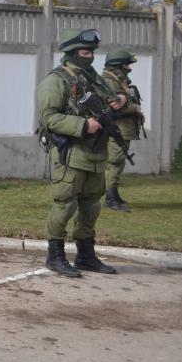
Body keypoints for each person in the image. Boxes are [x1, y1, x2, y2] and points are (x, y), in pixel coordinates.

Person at [35, 27, 124, 277]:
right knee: (65, 205)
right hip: (71, 154)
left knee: (92, 205)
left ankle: (85, 256)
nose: (90, 56)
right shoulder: (55, 81)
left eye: (92, 52)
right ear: (72, 52)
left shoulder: (94, 79)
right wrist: (83, 125)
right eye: (85, 52)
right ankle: (55, 256)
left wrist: (120, 101)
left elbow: (110, 100)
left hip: (96, 154)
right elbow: (50, 118)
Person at [100, 49, 143, 212]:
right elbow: (113, 107)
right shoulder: (110, 82)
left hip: (123, 128)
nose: (129, 67)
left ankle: (114, 193)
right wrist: (135, 107)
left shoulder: (118, 80)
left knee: (118, 162)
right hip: (116, 129)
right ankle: (110, 198)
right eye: (126, 64)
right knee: (114, 163)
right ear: (117, 65)